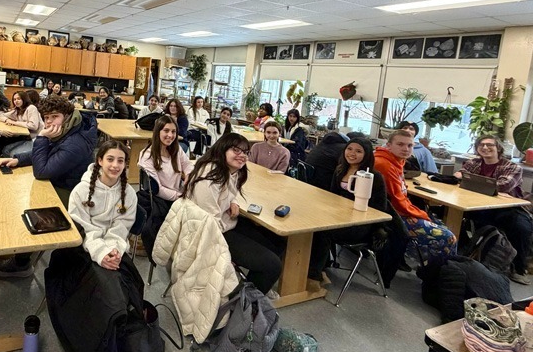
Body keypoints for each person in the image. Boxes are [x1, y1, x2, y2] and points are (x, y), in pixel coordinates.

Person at [45, 140, 139, 352]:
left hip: (113, 253)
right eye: (110, 159)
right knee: (106, 305)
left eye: (121, 161)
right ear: (100, 160)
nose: (115, 165)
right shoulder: (81, 190)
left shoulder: (128, 193)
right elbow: (83, 229)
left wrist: (114, 252)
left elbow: (122, 229)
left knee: (112, 304)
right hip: (82, 251)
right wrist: (99, 253)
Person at [0, 95, 98, 277]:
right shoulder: (68, 129)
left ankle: (21, 263)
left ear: (66, 115)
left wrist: (41, 137)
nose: (49, 122)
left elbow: (42, 171)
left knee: (31, 207)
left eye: (54, 117)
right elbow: (50, 154)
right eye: (46, 117)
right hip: (59, 182)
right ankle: (17, 250)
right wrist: (19, 160)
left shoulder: (75, 143)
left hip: (73, 194)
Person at [182, 134, 283, 295]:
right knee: (272, 264)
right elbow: (210, 223)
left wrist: (234, 201)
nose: (242, 155)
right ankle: (242, 302)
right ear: (222, 149)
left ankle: (252, 287)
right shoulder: (209, 176)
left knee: (276, 241)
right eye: (235, 150)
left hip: (224, 223)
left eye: (245, 152)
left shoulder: (229, 171)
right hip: (210, 234)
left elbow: (230, 191)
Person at [308, 137, 406, 287]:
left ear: (366, 154)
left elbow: (380, 208)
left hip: (362, 225)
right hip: (341, 217)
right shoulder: (340, 169)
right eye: (349, 149)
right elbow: (332, 196)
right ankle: (319, 268)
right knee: (312, 224)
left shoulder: (374, 177)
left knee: (323, 231)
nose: (352, 153)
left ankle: (313, 276)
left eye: (359, 151)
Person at [457, 135, 533, 284]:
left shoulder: (512, 166)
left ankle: (518, 268)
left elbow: (503, 186)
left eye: (490, 145)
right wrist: (462, 177)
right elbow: (461, 175)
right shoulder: (474, 163)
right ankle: (462, 252)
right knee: (452, 212)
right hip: (477, 204)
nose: (485, 148)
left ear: (498, 147)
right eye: (481, 145)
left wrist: (471, 181)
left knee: (522, 228)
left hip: (509, 208)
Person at [374, 130, 457, 263]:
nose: (406, 149)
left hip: (398, 211)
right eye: (400, 144)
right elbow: (397, 201)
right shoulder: (384, 164)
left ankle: (435, 270)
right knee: (449, 237)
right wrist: (422, 214)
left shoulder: (397, 161)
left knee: (442, 226)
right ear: (388, 145)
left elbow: (401, 193)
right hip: (391, 216)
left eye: (409, 146)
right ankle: (440, 278)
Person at [138, 115, 194, 255]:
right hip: (162, 201)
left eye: (173, 132)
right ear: (158, 132)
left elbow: (188, 165)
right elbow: (158, 189)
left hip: (177, 196)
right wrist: (179, 196)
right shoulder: (147, 155)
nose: (170, 135)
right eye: (166, 131)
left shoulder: (175, 150)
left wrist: (188, 175)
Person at [0, 90, 42, 157]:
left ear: (24, 99)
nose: (16, 101)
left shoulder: (31, 108)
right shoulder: (17, 110)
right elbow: (1, 116)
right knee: (5, 150)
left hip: (36, 139)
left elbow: (33, 126)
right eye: (14, 99)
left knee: (14, 154)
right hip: (26, 138)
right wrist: (7, 120)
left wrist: (14, 122)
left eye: (19, 99)